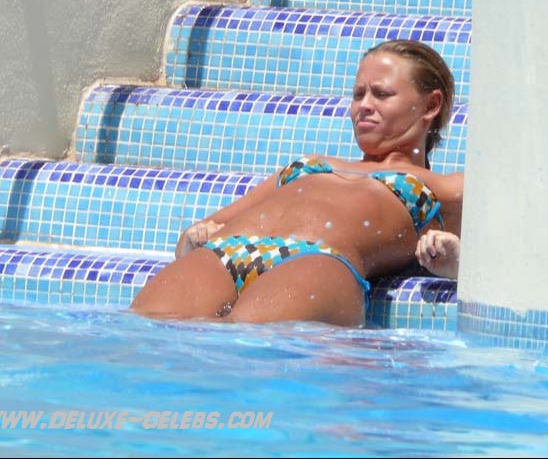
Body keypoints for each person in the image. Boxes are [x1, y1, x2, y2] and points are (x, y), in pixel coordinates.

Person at [131, 39, 464, 326]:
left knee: (245, 348)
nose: (364, 106)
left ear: (430, 105)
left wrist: (458, 263)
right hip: (227, 252)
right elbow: (193, 236)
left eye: (381, 94)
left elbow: (491, 259)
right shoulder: (310, 164)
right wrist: (194, 238)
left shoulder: (446, 187)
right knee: (148, 333)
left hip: (316, 260)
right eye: (358, 94)